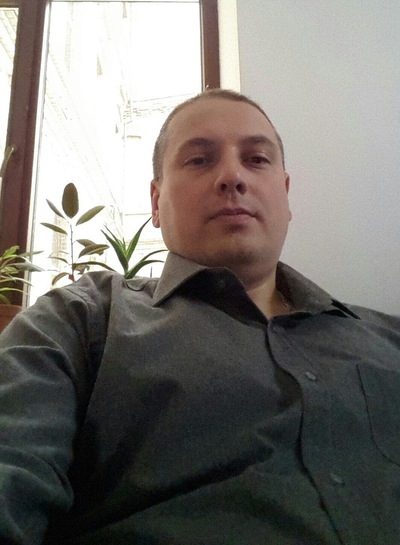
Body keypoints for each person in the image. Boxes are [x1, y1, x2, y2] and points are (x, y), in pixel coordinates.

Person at [0, 89, 399, 545]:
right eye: (199, 160)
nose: (232, 177)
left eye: (257, 159)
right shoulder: (81, 319)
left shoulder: (388, 338)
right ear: (156, 202)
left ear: (286, 195)